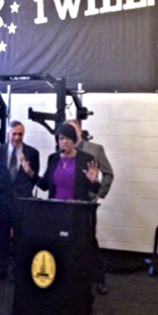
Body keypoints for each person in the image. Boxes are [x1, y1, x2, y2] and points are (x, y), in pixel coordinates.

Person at [66, 118, 114, 295]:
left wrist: (99, 194)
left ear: (79, 131)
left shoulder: (95, 149)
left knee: (89, 241)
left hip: (87, 204)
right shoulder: (64, 150)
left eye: (72, 130)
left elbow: (109, 174)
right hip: (68, 203)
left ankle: (99, 279)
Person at [0, 120, 40, 279]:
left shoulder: (32, 153)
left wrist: (23, 192)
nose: (17, 137)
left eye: (20, 134)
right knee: (1, 237)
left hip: (22, 202)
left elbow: (34, 178)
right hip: (2, 201)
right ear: (8, 134)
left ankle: (19, 270)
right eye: (14, 134)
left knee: (21, 238)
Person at [37, 124, 100, 200]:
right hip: (55, 207)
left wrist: (93, 181)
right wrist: (30, 173)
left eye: (68, 138)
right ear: (57, 141)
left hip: (76, 208)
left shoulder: (86, 159)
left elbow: (95, 190)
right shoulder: (53, 158)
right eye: (61, 139)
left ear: (74, 140)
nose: (65, 142)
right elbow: (45, 185)